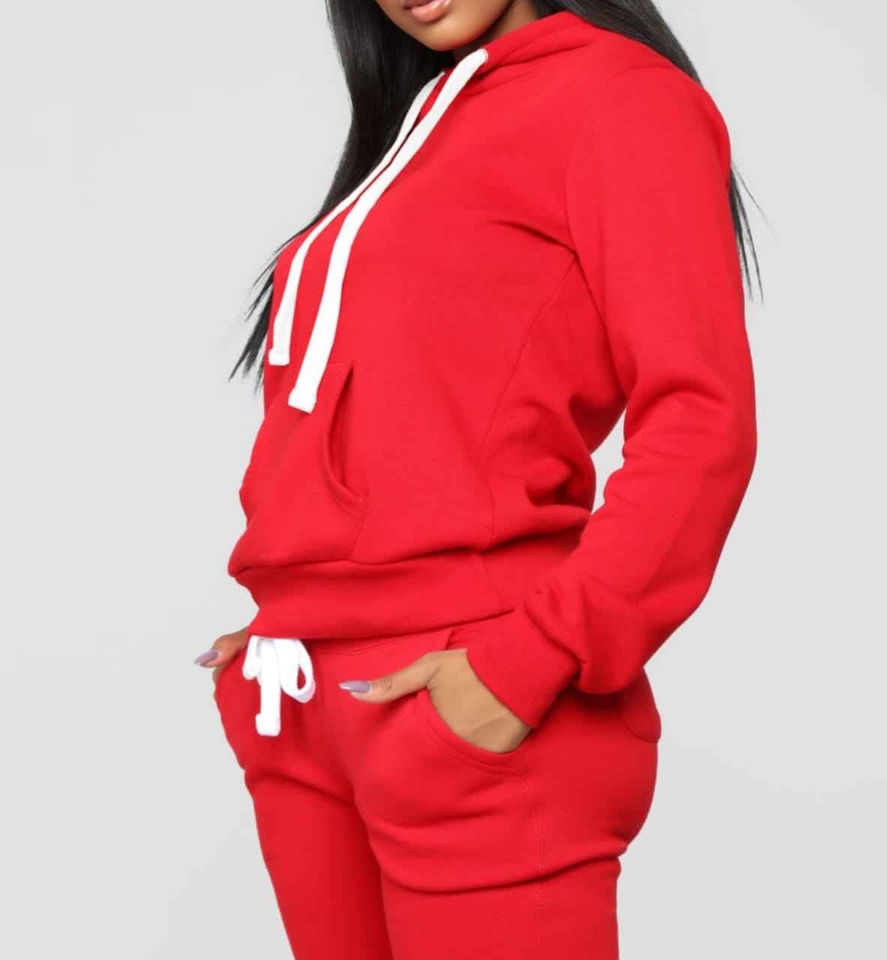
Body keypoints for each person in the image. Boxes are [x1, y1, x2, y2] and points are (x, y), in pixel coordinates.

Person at [196, 2, 758, 957]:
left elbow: (701, 421)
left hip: (472, 695)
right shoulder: (419, 122)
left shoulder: (619, 98)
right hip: (303, 705)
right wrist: (293, 613)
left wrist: (531, 661)